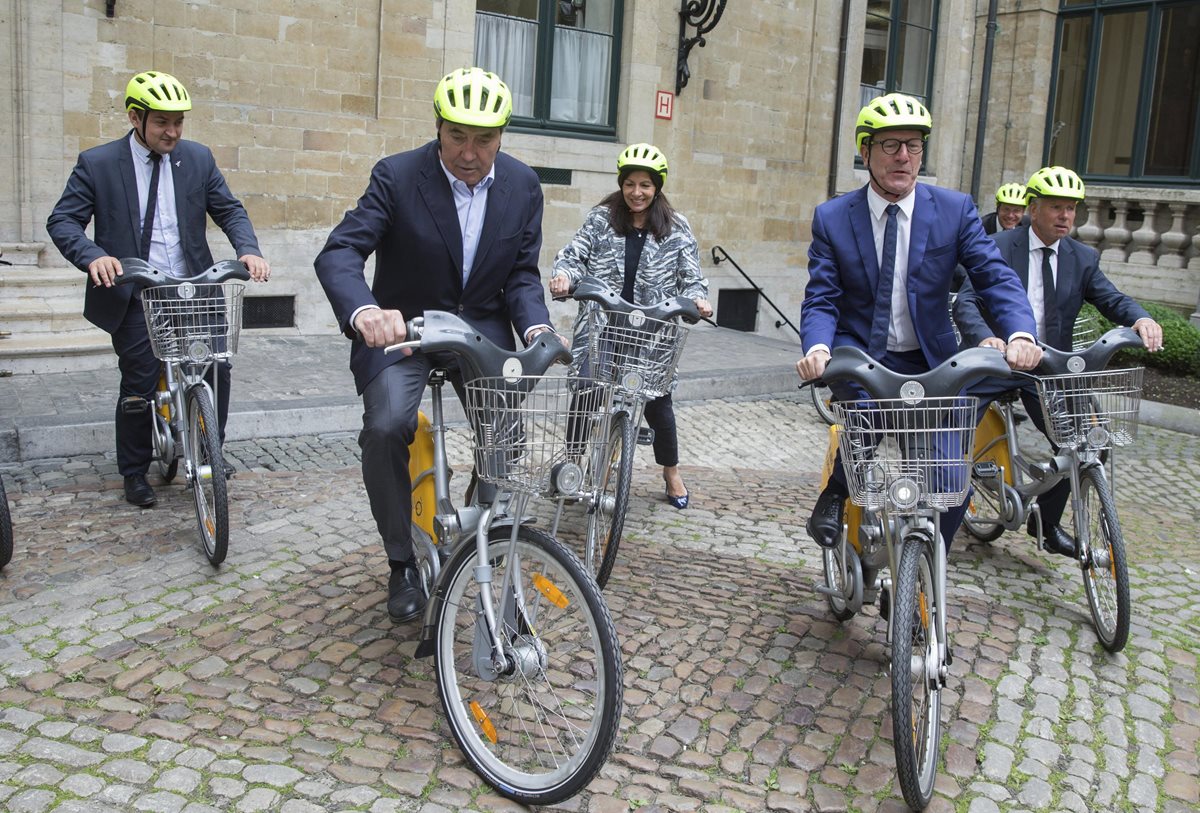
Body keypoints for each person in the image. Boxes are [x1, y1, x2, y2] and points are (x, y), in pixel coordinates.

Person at [313, 67, 557, 624]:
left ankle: (480, 530)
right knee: (386, 427)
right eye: (457, 137)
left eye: (485, 139)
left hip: (481, 331)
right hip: (405, 331)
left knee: (506, 430)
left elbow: (522, 274)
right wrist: (365, 311)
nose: (470, 153)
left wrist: (537, 327)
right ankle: (401, 561)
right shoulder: (398, 176)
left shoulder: (522, 186)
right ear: (438, 128)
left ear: (502, 136)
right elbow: (340, 253)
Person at [795, 92, 1042, 551]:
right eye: (890, 145)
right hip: (862, 353)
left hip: (930, 359)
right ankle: (837, 490)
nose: (904, 156)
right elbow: (823, 297)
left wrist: (1019, 332)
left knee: (953, 484)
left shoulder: (954, 210)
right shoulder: (832, 218)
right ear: (865, 152)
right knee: (865, 418)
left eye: (913, 144)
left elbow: (994, 276)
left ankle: (923, 573)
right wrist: (817, 348)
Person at [46, 70, 270, 509]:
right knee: (139, 382)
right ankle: (134, 471)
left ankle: (209, 451)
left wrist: (249, 250)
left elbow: (229, 209)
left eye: (179, 122)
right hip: (135, 291)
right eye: (162, 122)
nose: (172, 131)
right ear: (135, 118)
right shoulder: (98, 163)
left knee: (216, 368)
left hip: (192, 287)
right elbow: (62, 221)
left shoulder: (198, 159)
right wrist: (93, 256)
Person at [953, 165, 1163, 556]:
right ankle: (949, 501)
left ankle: (1045, 525)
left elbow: (1111, 298)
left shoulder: (1082, 258)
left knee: (1083, 442)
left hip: (1048, 370)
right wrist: (986, 338)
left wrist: (1141, 317)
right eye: (1056, 208)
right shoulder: (997, 247)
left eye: (1071, 209)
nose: (1066, 216)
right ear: (1034, 209)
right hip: (996, 362)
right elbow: (967, 300)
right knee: (950, 428)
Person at [549, 143, 713, 509]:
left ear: (658, 188)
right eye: (630, 184)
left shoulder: (676, 226)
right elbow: (575, 255)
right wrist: (563, 275)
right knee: (587, 390)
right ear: (621, 185)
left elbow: (692, 277)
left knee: (658, 402)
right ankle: (574, 463)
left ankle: (670, 471)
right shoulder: (601, 219)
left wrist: (698, 299)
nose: (637, 193)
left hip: (651, 332)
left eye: (645, 185)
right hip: (602, 326)